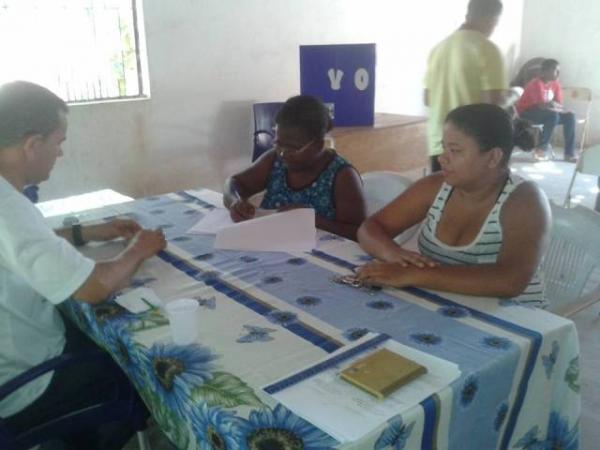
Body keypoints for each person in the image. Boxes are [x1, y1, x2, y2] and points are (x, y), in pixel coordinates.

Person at [0, 81, 166, 448]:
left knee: (96, 332)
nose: (60, 154)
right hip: (25, 384)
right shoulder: (8, 208)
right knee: (147, 369)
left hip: (17, 354)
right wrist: (139, 248)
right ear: (32, 145)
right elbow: (95, 288)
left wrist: (88, 232)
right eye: (59, 143)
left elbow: (24, 245)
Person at [356, 104, 550, 307]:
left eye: (455, 150)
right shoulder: (436, 186)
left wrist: (414, 273)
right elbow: (370, 228)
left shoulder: (525, 201)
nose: (442, 158)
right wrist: (393, 255)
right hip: (449, 305)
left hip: (517, 319)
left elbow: (510, 281)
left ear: (493, 157)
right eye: (443, 147)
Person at [223, 95, 365, 240]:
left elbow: (359, 233)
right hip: (271, 242)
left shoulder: (342, 176)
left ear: (318, 145)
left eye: (292, 148)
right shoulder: (274, 160)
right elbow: (234, 182)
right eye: (278, 144)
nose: (283, 153)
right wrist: (236, 202)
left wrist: (311, 219)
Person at [424, 0, 510, 173]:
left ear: (468, 15)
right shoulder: (487, 48)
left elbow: (427, 98)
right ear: (491, 19)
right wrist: (514, 95)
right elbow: (493, 104)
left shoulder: (438, 49)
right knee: (471, 199)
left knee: (441, 196)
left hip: (438, 142)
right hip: (470, 148)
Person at [515, 58, 577, 162]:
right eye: (555, 71)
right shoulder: (535, 84)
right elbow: (541, 106)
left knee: (570, 117)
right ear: (544, 72)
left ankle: (569, 153)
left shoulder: (555, 84)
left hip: (546, 113)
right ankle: (541, 149)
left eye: (559, 71)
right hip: (527, 113)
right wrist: (554, 106)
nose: (558, 74)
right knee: (553, 116)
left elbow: (558, 104)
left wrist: (559, 108)